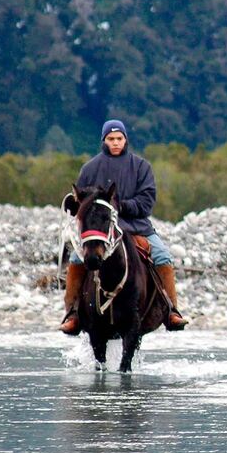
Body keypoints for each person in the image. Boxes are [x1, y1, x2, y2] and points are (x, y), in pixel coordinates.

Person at [59, 119, 189, 335]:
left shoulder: (141, 167)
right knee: (75, 259)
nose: (116, 142)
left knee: (163, 256)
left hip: (135, 226)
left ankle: (171, 310)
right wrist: (75, 205)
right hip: (99, 231)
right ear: (104, 140)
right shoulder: (90, 168)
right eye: (111, 139)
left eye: (119, 138)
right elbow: (81, 202)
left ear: (126, 139)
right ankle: (72, 314)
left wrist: (120, 205)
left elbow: (147, 202)